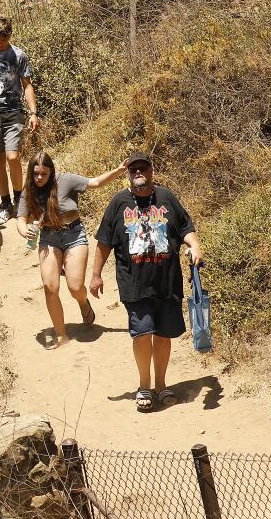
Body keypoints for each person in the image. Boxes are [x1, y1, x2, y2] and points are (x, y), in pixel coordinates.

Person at [91, 151, 204, 412]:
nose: (138, 173)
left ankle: (162, 385)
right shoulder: (118, 203)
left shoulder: (167, 198)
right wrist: (95, 275)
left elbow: (186, 227)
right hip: (134, 283)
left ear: (152, 171)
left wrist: (195, 246)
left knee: (163, 336)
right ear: (128, 174)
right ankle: (144, 385)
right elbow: (104, 241)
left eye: (143, 168)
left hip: (167, 281)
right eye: (134, 169)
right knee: (142, 334)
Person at [16, 152, 127, 349]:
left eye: (44, 173)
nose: (39, 178)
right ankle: (61, 335)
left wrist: (118, 171)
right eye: (36, 174)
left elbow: (95, 183)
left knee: (75, 287)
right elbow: (20, 219)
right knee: (50, 287)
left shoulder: (65, 180)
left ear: (51, 172)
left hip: (74, 235)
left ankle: (83, 302)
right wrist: (25, 231)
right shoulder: (28, 192)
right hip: (49, 238)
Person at [0, 17, 39, 225]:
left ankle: (20, 200)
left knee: (13, 157)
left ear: (10, 35)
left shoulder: (19, 55)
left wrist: (33, 112)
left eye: (5, 39)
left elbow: (27, 85)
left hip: (13, 112)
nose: (2, 43)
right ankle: (6, 204)